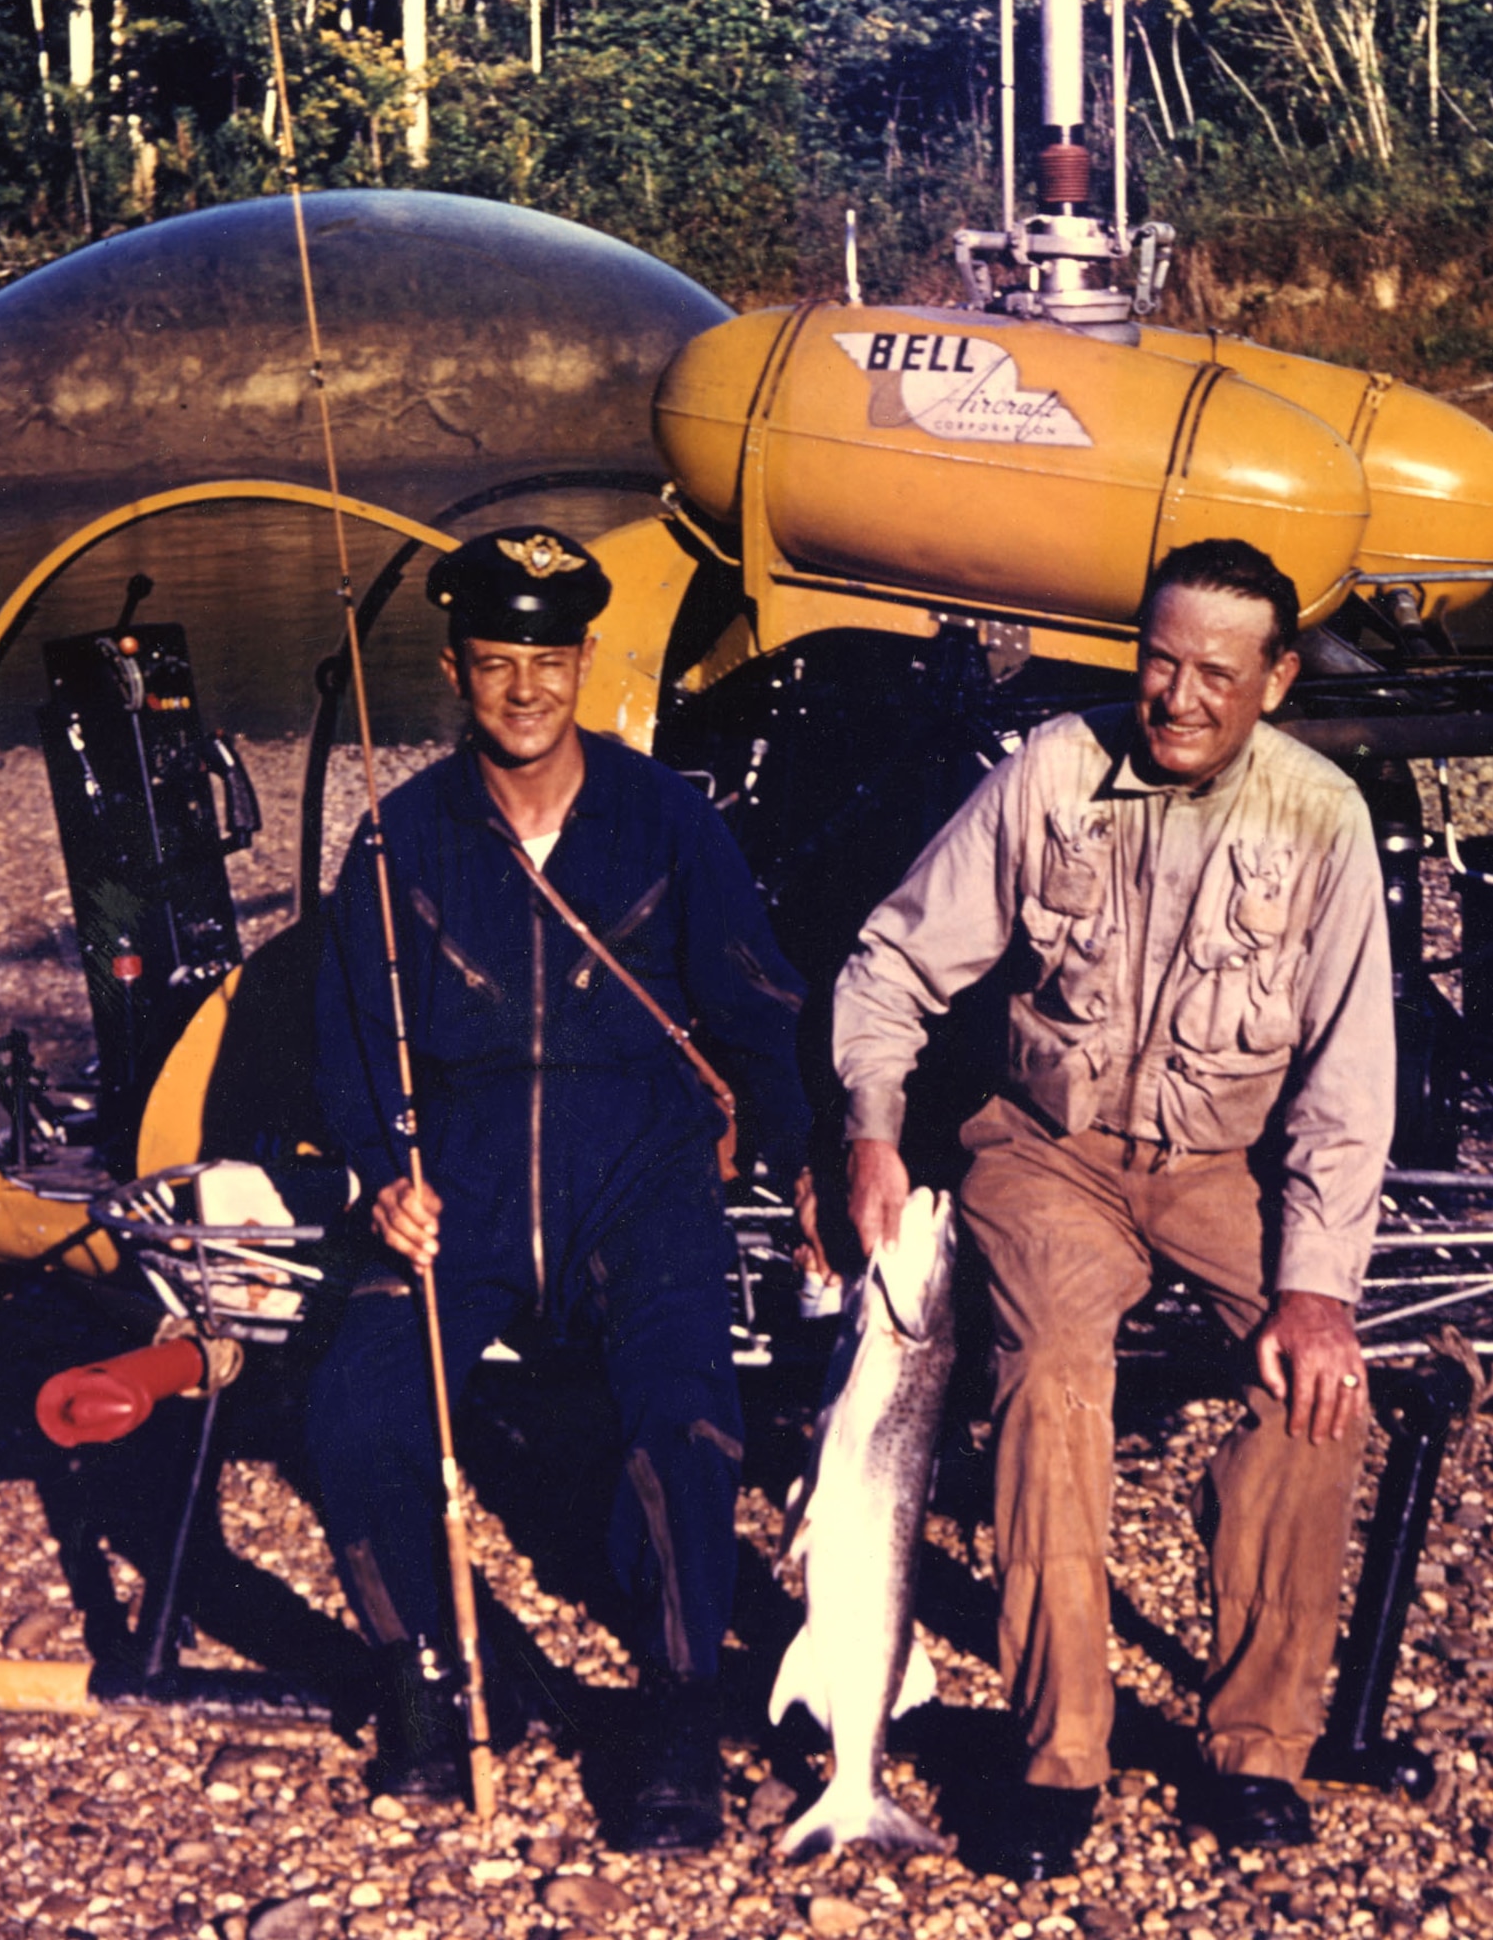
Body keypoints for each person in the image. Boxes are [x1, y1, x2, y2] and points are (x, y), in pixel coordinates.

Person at [833, 538, 1393, 1879]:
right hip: (1046, 1155)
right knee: (1053, 1380)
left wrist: (1316, 1288)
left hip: (1225, 1171)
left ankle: (1256, 1745)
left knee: (1316, 1393)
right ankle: (1056, 1756)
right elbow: (886, 964)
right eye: (1157, 660)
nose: (1180, 696)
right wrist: (868, 1130)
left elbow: (1347, 1080)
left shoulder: (1321, 819)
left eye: (1215, 671)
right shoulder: (1049, 773)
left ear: (1274, 679)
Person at [308, 526, 813, 1850]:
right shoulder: (397, 836)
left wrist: (801, 1154)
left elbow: (757, 1004)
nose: (523, 688)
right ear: (451, 670)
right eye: (493, 661)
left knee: (683, 1414)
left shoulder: (668, 818)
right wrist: (377, 1177)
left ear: (586, 658)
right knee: (354, 1411)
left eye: (547, 657)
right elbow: (351, 1037)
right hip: (461, 1179)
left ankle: (676, 1705)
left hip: (639, 1169)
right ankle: (434, 1673)